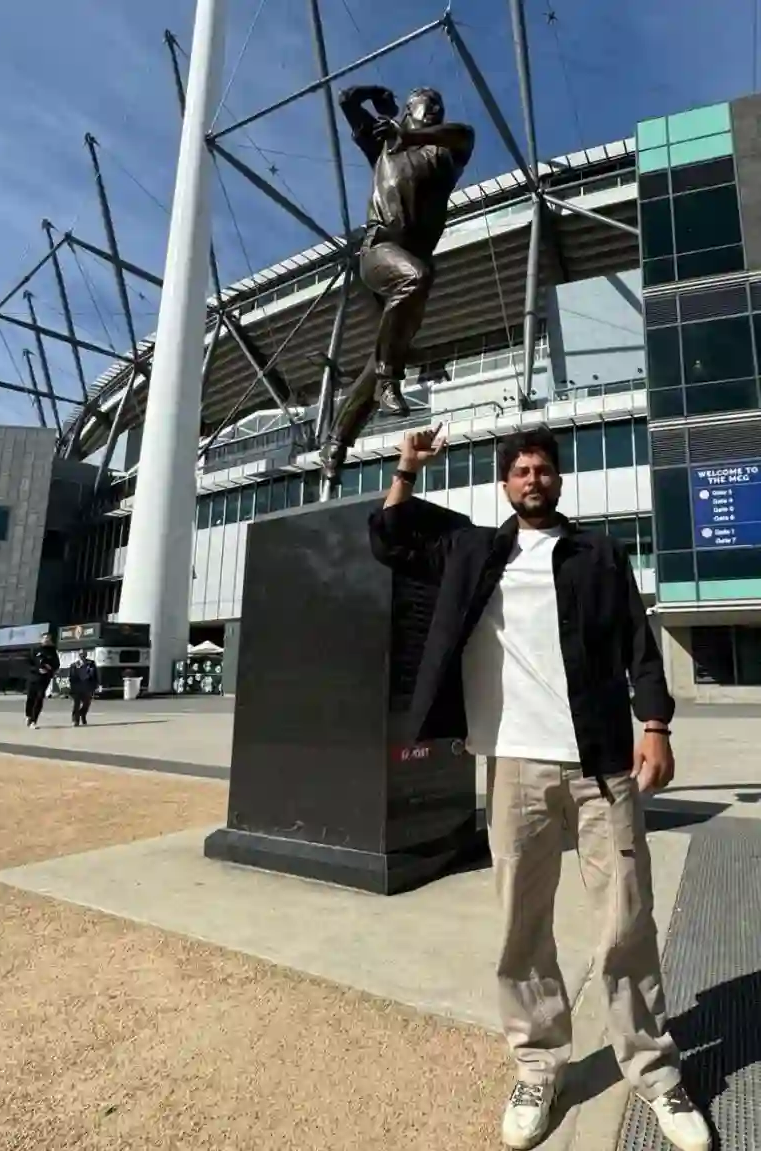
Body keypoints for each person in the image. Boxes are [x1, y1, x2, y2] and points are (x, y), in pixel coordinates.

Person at [369, 426, 709, 1151]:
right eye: (520, 470)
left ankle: (653, 1066)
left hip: (600, 763)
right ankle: (538, 1064)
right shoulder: (471, 549)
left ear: (558, 480)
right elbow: (391, 536)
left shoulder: (598, 554)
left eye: (543, 469)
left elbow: (638, 647)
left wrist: (656, 723)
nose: (533, 478)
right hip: (514, 764)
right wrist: (407, 465)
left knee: (625, 920)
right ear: (504, 484)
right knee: (520, 928)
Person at [321, 85, 474, 486]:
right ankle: (390, 378)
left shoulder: (447, 152)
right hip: (380, 252)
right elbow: (347, 103)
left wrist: (409, 133)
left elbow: (461, 133)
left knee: (383, 354)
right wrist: (376, 94)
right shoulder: (385, 146)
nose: (436, 110)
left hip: (413, 262)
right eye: (428, 103)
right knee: (414, 281)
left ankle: (336, 442)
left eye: (440, 105)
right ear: (407, 109)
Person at [25, 633, 57, 728]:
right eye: (45, 638)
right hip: (33, 678)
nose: (47, 640)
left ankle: (34, 721)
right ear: (41, 640)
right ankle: (28, 715)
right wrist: (37, 669)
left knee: (39, 698)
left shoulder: (52, 651)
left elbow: (56, 664)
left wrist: (49, 669)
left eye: (48, 639)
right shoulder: (35, 650)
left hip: (44, 679)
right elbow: (28, 663)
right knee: (30, 698)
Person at [68, 651, 99, 726]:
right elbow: (71, 677)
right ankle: (75, 720)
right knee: (76, 704)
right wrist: (71, 688)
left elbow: (95, 675)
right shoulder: (74, 665)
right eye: (81, 654)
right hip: (77, 687)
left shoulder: (91, 663)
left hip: (87, 687)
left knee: (86, 704)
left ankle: (82, 715)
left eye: (84, 654)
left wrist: (96, 685)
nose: (83, 655)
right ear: (79, 655)